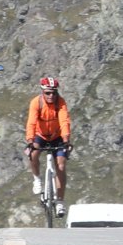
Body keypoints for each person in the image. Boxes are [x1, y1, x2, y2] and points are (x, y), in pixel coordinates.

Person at [26, 75, 72, 215]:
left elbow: (64, 121)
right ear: (42, 92)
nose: (51, 96)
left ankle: (60, 202)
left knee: (61, 166)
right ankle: (37, 179)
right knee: (33, 154)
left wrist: (66, 140)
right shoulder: (36, 103)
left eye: (54, 93)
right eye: (48, 93)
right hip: (40, 135)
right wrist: (30, 141)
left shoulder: (60, 102)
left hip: (57, 137)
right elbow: (31, 122)